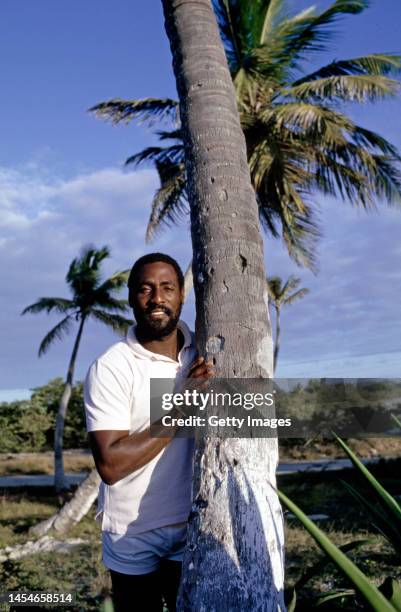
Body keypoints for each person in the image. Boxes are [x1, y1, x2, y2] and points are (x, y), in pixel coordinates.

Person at [84, 253, 214, 612]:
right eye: (145, 289)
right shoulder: (111, 367)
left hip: (192, 523)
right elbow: (110, 465)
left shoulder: (203, 350)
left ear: (182, 295)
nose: (157, 298)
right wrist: (179, 406)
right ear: (130, 298)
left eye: (167, 288)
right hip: (132, 533)